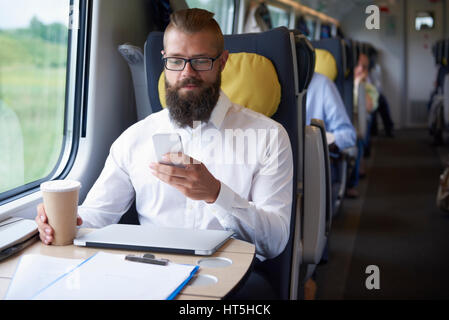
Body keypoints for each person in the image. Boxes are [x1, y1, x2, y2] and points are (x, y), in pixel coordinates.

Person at [35, 9, 294, 297]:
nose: (187, 73)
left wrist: (216, 193)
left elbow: (275, 242)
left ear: (222, 62)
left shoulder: (268, 136)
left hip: (231, 274)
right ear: (164, 61)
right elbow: (96, 217)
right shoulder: (134, 139)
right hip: (148, 273)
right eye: (176, 61)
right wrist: (60, 222)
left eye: (200, 61)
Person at [346, 53, 379, 198]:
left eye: (363, 67)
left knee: (358, 142)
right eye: (357, 65)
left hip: (356, 123)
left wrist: (360, 87)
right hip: (345, 121)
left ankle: (351, 183)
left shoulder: (369, 87)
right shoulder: (340, 84)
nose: (360, 69)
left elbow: (370, 106)